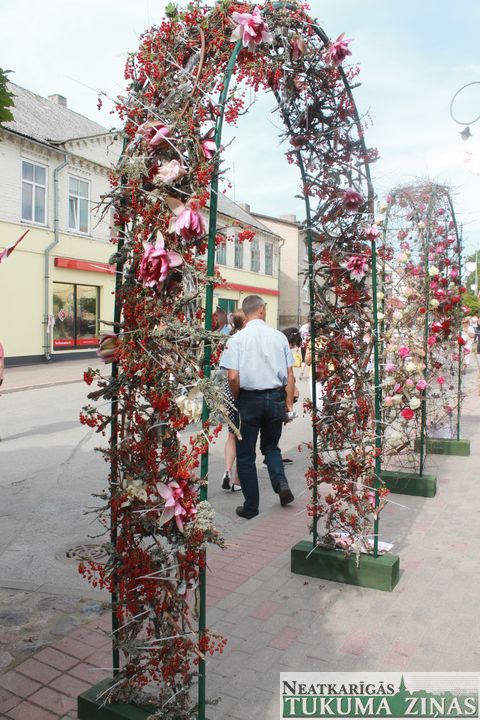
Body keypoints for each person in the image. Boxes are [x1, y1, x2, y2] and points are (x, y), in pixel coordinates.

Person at [220, 295, 295, 519]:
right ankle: (281, 483)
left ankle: (251, 507)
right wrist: (288, 404)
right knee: (271, 447)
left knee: (245, 455)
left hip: (249, 399)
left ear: (245, 312)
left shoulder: (237, 339)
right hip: (275, 397)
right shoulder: (279, 337)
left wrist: (237, 398)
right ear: (261, 310)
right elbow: (290, 375)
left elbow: (232, 376)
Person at [221, 309, 245, 492]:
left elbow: (224, 369)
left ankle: (227, 471)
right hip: (244, 392)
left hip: (228, 393)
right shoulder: (247, 340)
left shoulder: (230, 340)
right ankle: (237, 479)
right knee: (243, 437)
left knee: (231, 434)